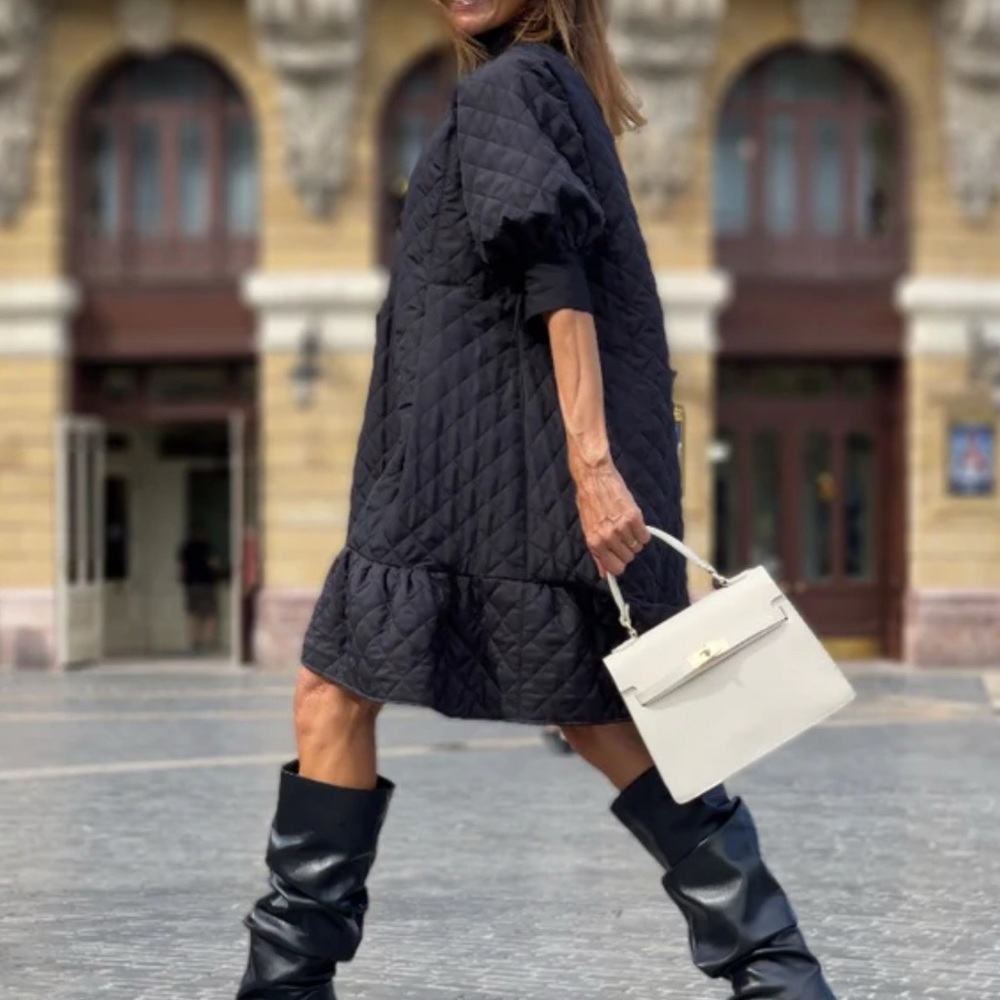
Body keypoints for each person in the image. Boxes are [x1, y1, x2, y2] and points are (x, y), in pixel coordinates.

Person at [236, 2, 838, 998]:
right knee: (596, 717)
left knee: (333, 692)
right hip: (484, 476)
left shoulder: (509, 86)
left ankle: (284, 986)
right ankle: (780, 975)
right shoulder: (553, 85)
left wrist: (592, 464)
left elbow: (557, 278)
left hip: (471, 489)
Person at [177, 529, 220, 653]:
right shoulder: (208, 547)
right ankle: (208, 641)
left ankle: (195, 641)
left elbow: (181, 568)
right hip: (206, 584)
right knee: (210, 614)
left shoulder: (186, 548)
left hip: (191, 584)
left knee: (193, 613)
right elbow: (214, 564)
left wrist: (182, 579)